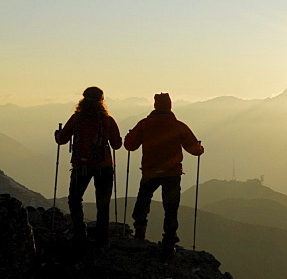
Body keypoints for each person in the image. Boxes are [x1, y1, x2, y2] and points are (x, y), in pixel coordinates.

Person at [124, 93, 204, 254]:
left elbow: (130, 146)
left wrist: (128, 135)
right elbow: (195, 151)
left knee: (142, 203)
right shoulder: (178, 125)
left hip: (150, 172)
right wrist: (200, 148)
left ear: (155, 106)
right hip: (172, 173)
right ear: (170, 106)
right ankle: (169, 242)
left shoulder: (144, 124)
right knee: (171, 208)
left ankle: (140, 233)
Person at [55, 87, 123, 246]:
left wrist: (57, 134)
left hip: (81, 165)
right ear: (101, 101)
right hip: (104, 166)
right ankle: (102, 239)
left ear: (83, 100)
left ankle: (80, 234)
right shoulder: (107, 120)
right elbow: (117, 145)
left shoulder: (77, 118)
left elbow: (62, 139)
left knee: (75, 199)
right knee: (103, 202)